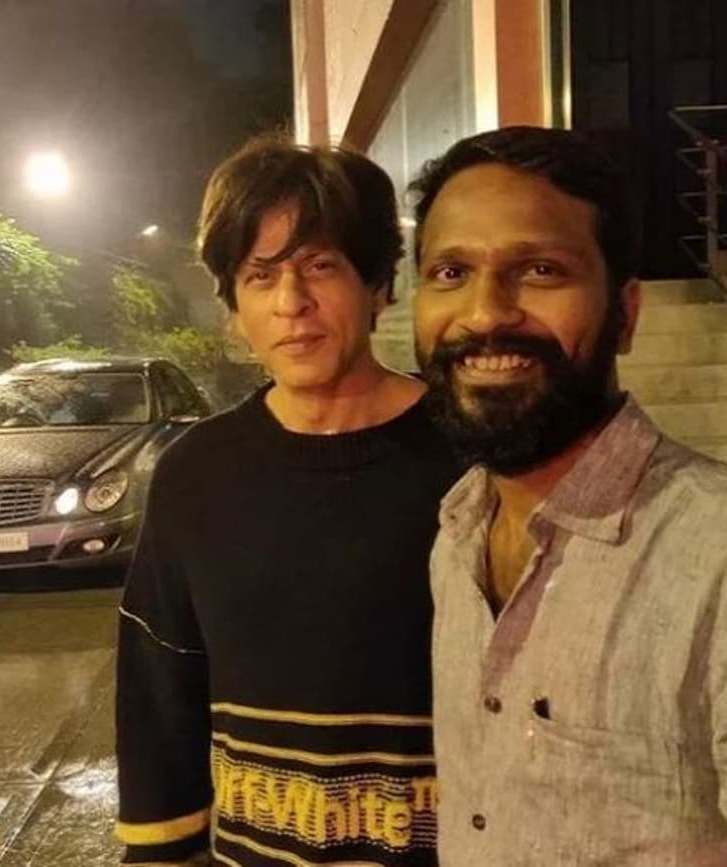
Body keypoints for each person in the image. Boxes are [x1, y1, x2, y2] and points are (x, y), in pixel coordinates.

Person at [410, 126, 727, 865]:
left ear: (626, 315)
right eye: (450, 272)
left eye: (541, 270)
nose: (485, 312)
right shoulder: (457, 538)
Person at [114, 136, 460, 866]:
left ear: (379, 285)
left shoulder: (471, 460)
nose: (291, 303)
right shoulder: (195, 475)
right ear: (234, 308)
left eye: (320, 266)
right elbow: (159, 694)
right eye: (260, 275)